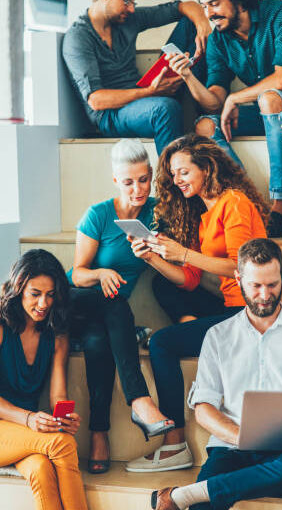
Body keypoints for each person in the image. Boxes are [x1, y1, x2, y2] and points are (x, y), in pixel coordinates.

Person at [150, 237, 282, 510]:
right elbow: (203, 409)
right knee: (206, 503)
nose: (265, 294)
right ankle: (201, 494)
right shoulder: (217, 336)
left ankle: (184, 495)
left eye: (272, 284)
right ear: (238, 279)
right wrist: (243, 436)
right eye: (256, 285)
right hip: (229, 449)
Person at [126, 133, 269, 472]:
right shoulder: (203, 217)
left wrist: (184, 253)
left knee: (161, 343)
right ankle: (194, 327)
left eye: (184, 172)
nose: (177, 180)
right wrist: (154, 258)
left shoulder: (233, 202)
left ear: (206, 167)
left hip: (248, 312)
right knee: (165, 283)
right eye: (173, 175)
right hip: (226, 308)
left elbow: (242, 269)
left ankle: (174, 443)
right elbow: (189, 279)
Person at [164, 0, 282, 236]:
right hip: (269, 111)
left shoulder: (280, 13)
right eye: (204, 6)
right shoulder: (219, 40)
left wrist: (236, 98)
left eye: (214, 4)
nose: (208, 13)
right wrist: (188, 76)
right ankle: (251, 202)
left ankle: (281, 205)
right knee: (206, 126)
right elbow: (215, 101)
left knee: (269, 98)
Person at [68, 138, 174, 474]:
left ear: (151, 176)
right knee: (115, 305)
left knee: (100, 342)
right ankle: (140, 401)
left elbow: (176, 263)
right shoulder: (98, 214)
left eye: (143, 179)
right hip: (75, 302)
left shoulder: (159, 214)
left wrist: (154, 253)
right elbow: (76, 274)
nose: (137, 189)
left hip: (108, 315)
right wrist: (101, 272)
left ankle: (99, 434)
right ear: (116, 181)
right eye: (128, 182)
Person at [63, 0, 211, 153]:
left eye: (133, 2)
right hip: (111, 115)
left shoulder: (126, 19)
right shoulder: (78, 37)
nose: (131, 9)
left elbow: (183, 6)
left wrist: (204, 26)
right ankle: (170, 179)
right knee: (164, 109)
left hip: (146, 94)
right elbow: (96, 100)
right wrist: (150, 92)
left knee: (189, 24)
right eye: (126, 0)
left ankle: (206, 115)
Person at [0, 249, 88, 510]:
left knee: (40, 468)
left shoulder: (56, 332)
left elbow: (57, 393)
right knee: (62, 444)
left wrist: (64, 417)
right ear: (18, 289)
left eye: (50, 295)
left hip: (21, 432)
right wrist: (28, 418)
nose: (43, 304)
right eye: (35, 294)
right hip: (12, 423)